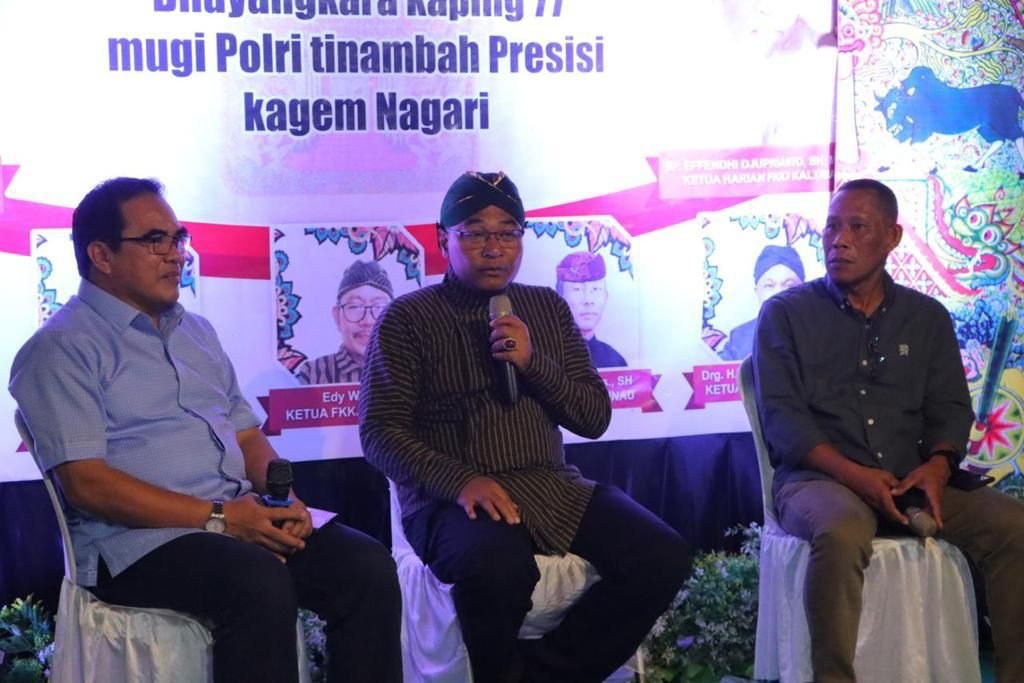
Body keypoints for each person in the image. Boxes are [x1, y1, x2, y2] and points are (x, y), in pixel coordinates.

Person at [9, 178, 402, 683]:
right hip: (136, 544)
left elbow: (247, 437)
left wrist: (285, 503)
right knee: (256, 580)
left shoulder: (196, 332)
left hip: (236, 518)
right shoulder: (61, 348)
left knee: (366, 566)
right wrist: (221, 519)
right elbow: (87, 485)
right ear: (101, 255)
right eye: (155, 240)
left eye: (178, 238)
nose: (176, 255)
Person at [359, 171, 690, 683]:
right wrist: (461, 481)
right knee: (498, 570)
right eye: (475, 232)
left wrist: (533, 361)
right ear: (443, 240)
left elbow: (593, 417)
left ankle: (542, 675)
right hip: (452, 501)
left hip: (551, 487)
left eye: (508, 233)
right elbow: (380, 433)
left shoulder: (548, 308)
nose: (494, 248)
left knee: (661, 555)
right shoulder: (407, 319)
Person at [753, 178, 1024, 683]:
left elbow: (950, 407)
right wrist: (857, 477)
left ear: (892, 237)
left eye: (857, 227)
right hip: (819, 480)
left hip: (911, 479)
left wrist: (939, 466)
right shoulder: (785, 315)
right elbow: (785, 425)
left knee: (1015, 527)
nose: (839, 240)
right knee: (841, 530)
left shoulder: (926, 317)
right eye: (832, 227)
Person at [295, 259, 394, 385]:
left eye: (379, 307)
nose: (368, 321)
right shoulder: (312, 374)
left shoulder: (410, 369)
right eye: (355, 307)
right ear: (337, 317)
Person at [719, 244, 804, 361]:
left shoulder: (819, 333)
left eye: (789, 285)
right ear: (757, 292)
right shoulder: (739, 339)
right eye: (769, 286)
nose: (778, 293)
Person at [555, 251, 627, 368]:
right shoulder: (546, 356)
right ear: (559, 296)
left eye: (595, 289)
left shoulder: (614, 360)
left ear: (606, 297)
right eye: (577, 290)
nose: (588, 300)